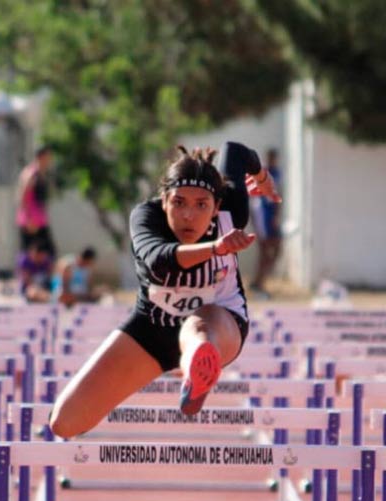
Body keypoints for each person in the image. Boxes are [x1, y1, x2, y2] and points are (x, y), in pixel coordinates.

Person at [49, 142, 280, 437]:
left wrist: (262, 179)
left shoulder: (231, 211)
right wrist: (215, 248)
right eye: (179, 202)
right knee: (65, 421)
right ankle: (194, 369)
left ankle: (195, 373)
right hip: (152, 329)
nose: (188, 215)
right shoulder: (146, 218)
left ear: (216, 207)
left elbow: (235, 151)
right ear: (164, 200)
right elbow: (161, 261)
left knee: (197, 326)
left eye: (201, 205)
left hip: (220, 324)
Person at [250, 148, 283, 296]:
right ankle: (258, 283)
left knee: (276, 250)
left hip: (272, 216)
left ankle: (259, 281)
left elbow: (278, 195)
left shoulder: (277, 173)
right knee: (264, 251)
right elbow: (255, 199)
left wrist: (277, 215)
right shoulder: (261, 173)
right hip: (262, 216)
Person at [16, 146, 56, 255]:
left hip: (40, 219)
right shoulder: (31, 173)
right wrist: (29, 219)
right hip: (30, 221)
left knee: (47, 252)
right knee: (27, 252)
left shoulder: (43, 174)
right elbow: (23, 196)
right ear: (41, 157)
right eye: (48, 156)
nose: (50, 160)